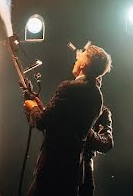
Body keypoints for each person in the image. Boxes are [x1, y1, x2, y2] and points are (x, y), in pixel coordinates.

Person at [24, 44, 112, 196]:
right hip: (72, 173)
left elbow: (43, 122)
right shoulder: (98, 97)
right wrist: (36, 102)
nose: (77, 58)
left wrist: (31, 107)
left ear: (84, 65)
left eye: (81, 56)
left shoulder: (68, 88)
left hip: (52, 168)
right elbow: (58, 122)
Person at [79, 101, 113, 196]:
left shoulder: (102, 112)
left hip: (83, 173)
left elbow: (107, 143)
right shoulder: (67, 103)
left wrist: (87, 130)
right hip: (57, 168)